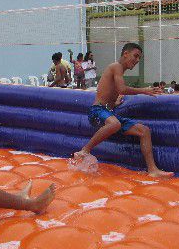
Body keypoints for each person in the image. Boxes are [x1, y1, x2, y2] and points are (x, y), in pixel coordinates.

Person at [73, 43, 173, 178]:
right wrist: (144, 90)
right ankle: (85, 150)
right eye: (135, 56)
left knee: (144, 131)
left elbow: (109, 95)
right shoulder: (116, 67)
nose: (137, 60)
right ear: (125, 53)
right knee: (115, 124)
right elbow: (122, 89)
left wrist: (115, 102)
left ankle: (153, 170)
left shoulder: (119, 71)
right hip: (97, 111)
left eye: (139, 58)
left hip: (108, 114)